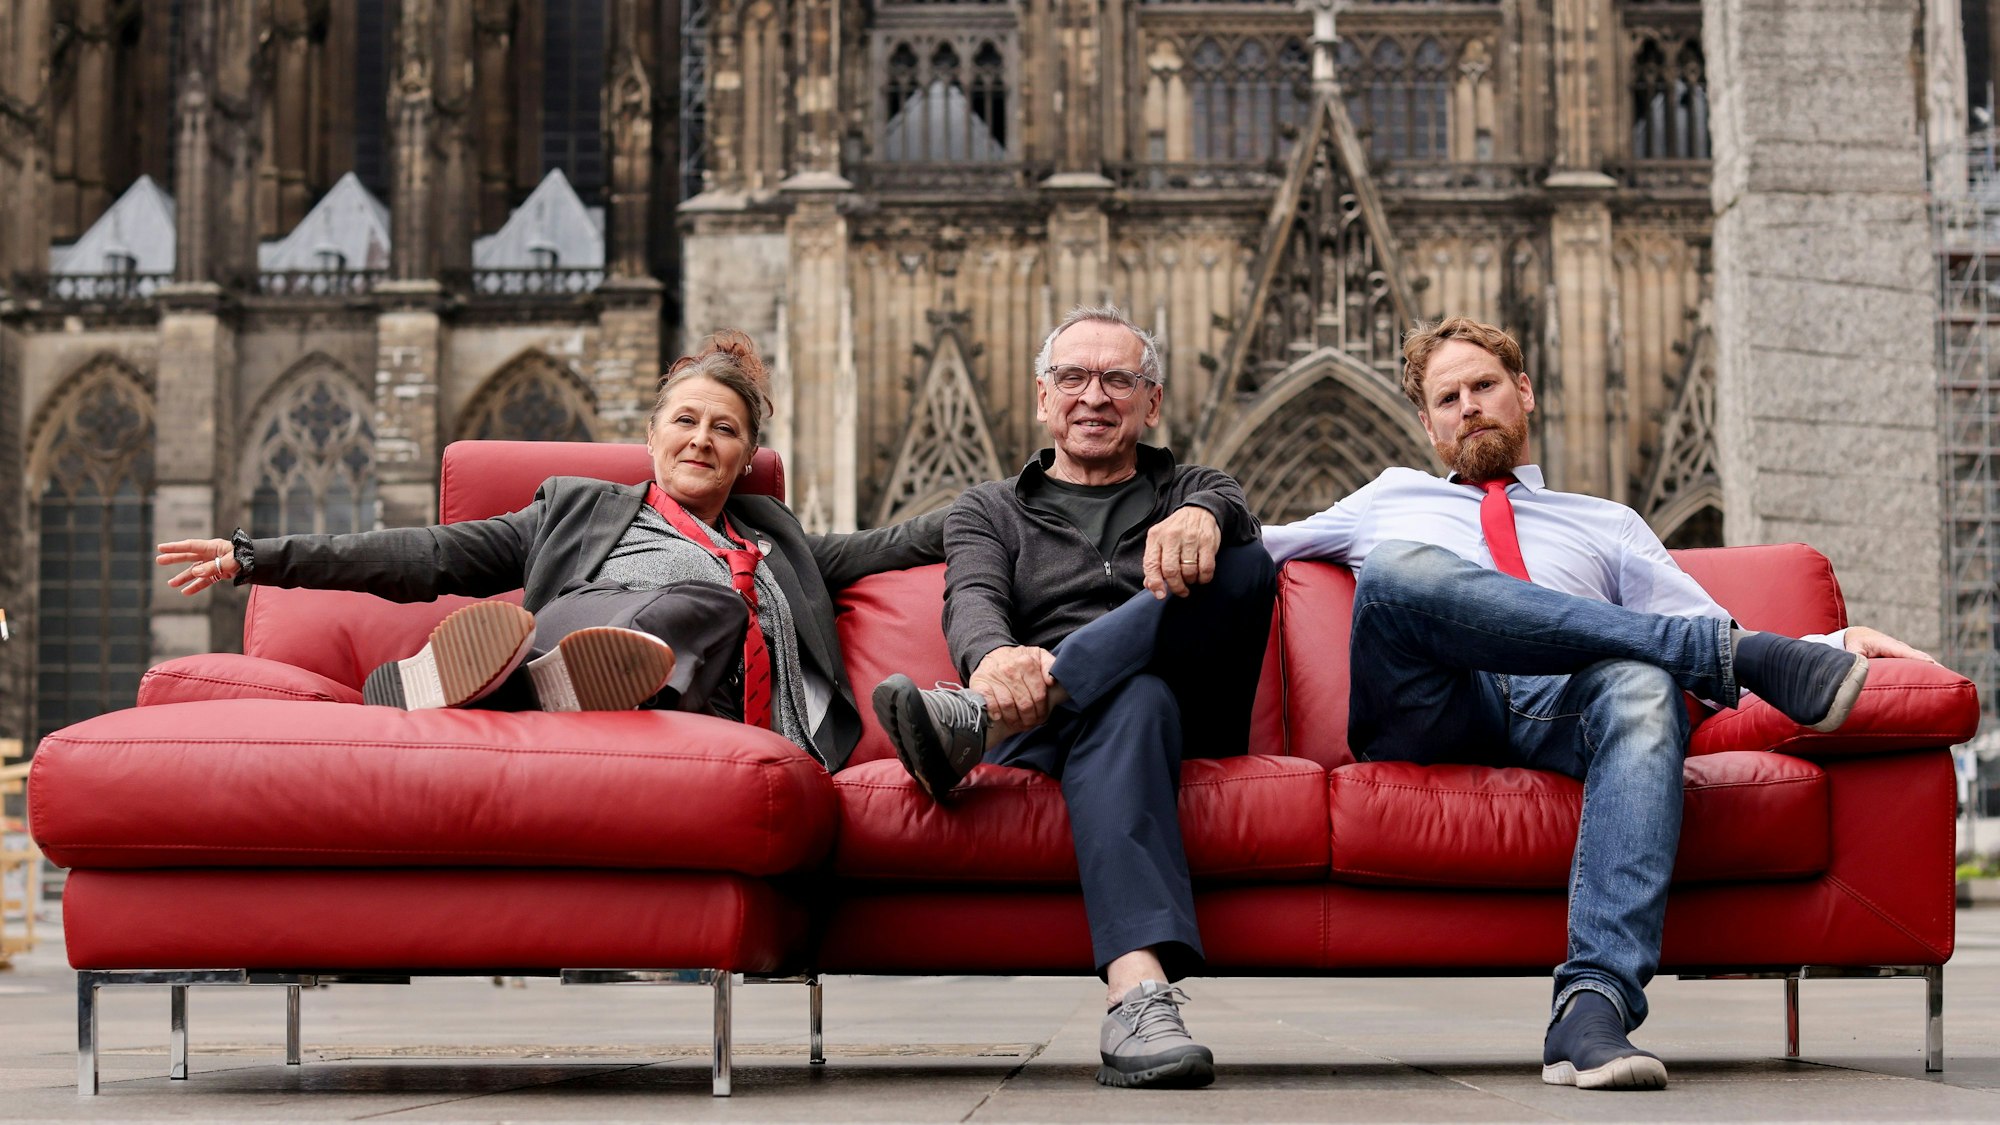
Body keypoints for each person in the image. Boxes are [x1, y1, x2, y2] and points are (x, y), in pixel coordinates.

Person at [1262, 315, 1937, 1091]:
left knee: (1646, 683)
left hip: (1561, 708)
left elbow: (1694, 618)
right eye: (1448, 398)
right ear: (1427, 424)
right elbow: (1258, 547)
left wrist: (1832, 641)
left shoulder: (1606, 523)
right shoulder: (1390, 496)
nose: (1469, 405)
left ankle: (1593, 1004)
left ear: (1524, 391)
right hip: (1431, 707)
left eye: (1484, 385)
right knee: (1396, 572)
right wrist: (1195, 513)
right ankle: (1739, 655)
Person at [157, 331, 945, 770]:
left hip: (734, 733)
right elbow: (428, 555)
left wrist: (1016, 501)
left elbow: (903, 539)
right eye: (685, 421)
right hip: (618, 704)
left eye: (725, 429)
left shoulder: (781, 545)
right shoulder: (576, 511)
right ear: (652, 437)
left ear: (746, 460)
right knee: (699, 601)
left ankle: (511, 689)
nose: (702, 439)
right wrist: (259, 557)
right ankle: (557, 676)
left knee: (714, 603)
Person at [871, 305, 1277, 1090]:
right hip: (1062, 728)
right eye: (1072, 377)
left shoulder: (1192, 489)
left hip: (1183, 710)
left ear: (1151, 403)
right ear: (1042, 397)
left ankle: (980, 722)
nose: (1093, 395)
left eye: (1118, 379)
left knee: (1243, 561)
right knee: (1136, 697)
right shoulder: (989, 509)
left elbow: (1227, 502)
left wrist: (1201, 515)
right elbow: (973, 599)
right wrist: (994, 661)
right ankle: (1138, 996)